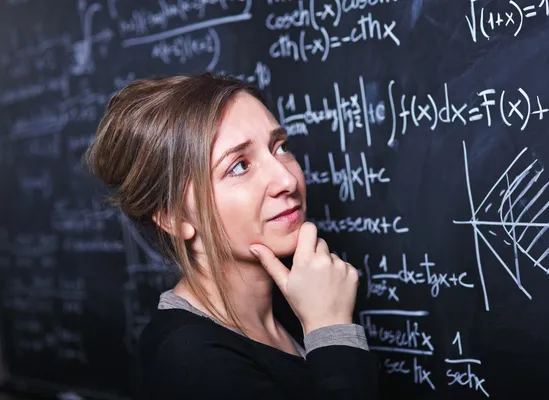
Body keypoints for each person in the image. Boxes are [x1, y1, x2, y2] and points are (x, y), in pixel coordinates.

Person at [83, 73, 380, 399]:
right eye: (239, 166)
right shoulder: (191, 361)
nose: (286, 180)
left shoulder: (293, 307)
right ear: (174, 216)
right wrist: (331, 330)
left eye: (280, 147)